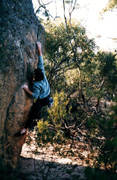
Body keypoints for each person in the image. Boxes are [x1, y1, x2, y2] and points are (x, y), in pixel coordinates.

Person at [15, 42, 53, 137]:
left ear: (36, 78)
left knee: (33, 112)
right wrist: (39, 48)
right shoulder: (42, 71)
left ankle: (24, 129)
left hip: (42, 99)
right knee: (42, 103)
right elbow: (41, 59)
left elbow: (35, 96)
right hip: (47, 93)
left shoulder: (37, 84)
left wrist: (26, 88)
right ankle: (49, 102)